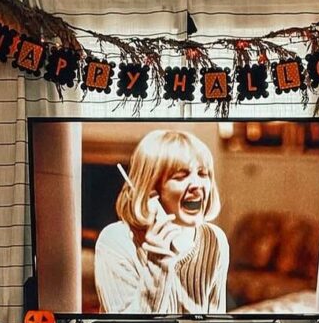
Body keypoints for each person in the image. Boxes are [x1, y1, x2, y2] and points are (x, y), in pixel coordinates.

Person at [94, 130, 229, 313]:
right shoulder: (116, 240)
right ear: (151, 190)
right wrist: (157, 265)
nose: (197, 185)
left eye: (202, 173)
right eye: (181, 176)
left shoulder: (215, 240)